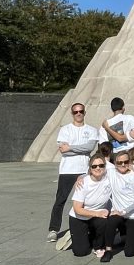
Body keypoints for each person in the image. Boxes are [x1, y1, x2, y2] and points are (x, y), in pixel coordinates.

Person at [48, 101, 99, 243]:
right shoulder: (65, 129)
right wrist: (77, 149)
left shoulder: (92, 130)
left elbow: (89, 148)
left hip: (84, 169)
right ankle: (53, 230)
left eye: (81, 111)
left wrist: (70, 148)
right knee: (61, 199)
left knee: (87, 200)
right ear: (72, 113)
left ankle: (89, 227)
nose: (78, 114)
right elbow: (63, 151)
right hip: (67, 170)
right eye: (75, 112)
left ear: (84, 113)